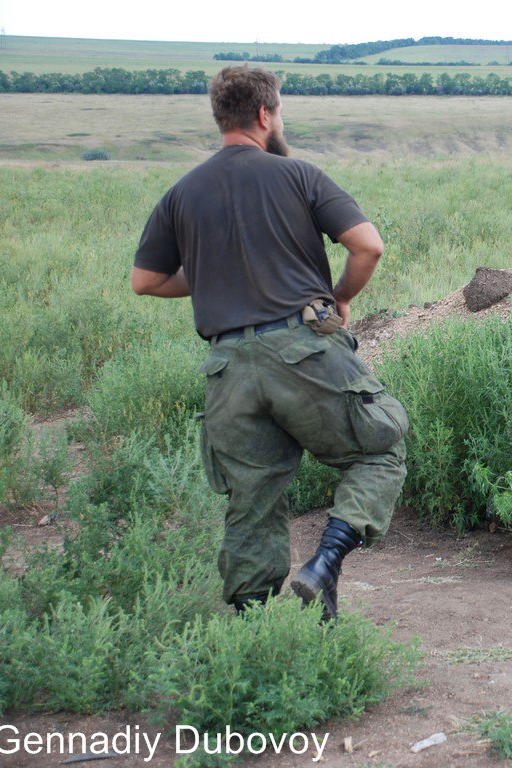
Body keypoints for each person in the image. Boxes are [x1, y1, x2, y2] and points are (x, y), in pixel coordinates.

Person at [131, 66, 408, 620]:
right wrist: (341, 298)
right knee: (381, 448)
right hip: (303, 348)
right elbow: (367, 247)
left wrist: (211, 275)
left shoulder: (181, 193)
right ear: (264, 114)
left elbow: (147, 280)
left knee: (252, 504)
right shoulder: (298, 175)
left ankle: (251, 635)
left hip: (228, 368)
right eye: (278, 110)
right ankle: (324, 564)